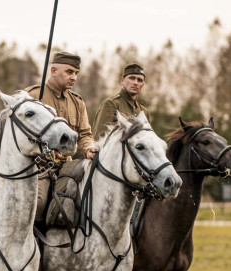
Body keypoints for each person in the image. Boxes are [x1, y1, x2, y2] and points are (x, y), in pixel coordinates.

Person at [26, 51, 97, 219]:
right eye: (69, 72)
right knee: (39, 203)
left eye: (76, 73)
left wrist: (88, 148)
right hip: (38, 166)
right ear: (53, 71)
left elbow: (84, 134)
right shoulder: (34, 96)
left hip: (67, 167)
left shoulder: (77, 102)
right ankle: (32, 241)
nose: (74, 77)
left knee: (86, 201)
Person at [93, 63, 149, 138]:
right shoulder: (111, 104)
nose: (135, 83)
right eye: (132, 78)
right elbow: (100, 137)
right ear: (122, 80)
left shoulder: (144, 111)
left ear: (143, 84)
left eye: (140, 80)